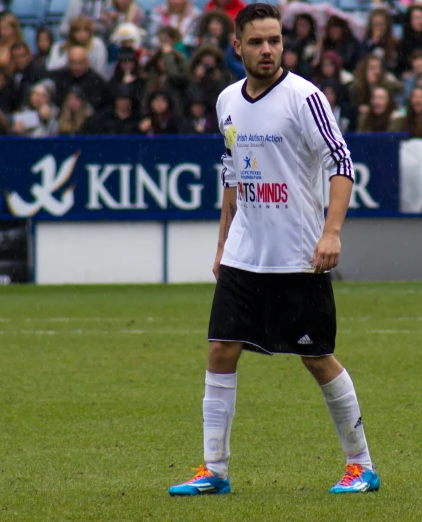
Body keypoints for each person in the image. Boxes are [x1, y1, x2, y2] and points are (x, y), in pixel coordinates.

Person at [167, 3, 379, 497]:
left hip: (297, 255)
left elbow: (341, 163)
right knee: (221, 350)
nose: (268, 50)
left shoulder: (304, 97)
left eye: (276, 40)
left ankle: (361, 465)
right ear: (236, 45)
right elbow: (233, 175)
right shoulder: (226, 102)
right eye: (258, 41)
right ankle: (214, 470)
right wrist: (223, 243)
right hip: (245, 253)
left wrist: (332, 233)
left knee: (318, 358)